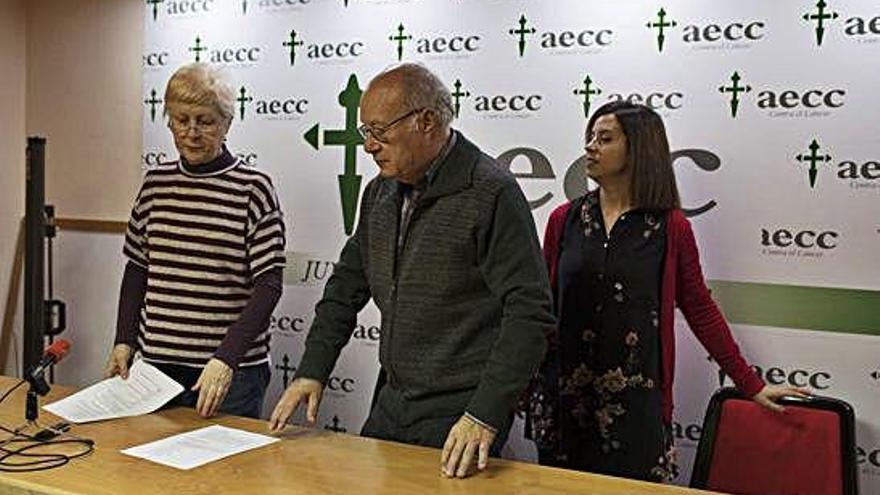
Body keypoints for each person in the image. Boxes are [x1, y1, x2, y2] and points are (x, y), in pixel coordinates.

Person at [268, 63, 555, 478]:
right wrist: (313, 368)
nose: (368, 146)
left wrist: (485, 414)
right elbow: (346, 286)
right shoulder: (380, 191)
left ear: (426, 121)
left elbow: (529, 313)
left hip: (459, 413)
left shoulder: (491, 191)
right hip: (390, 401)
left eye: (378, 132)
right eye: (365, 132)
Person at [525, 101, 808, 482]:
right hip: (562, 402)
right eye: (589, 137)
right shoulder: (565, 219)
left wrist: (750, 384)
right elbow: (538, 308)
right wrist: (516, 385)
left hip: (636, 408)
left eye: (604, 138)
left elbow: (699, 308)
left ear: (639, 148)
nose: (590, 147)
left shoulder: (670, 227)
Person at [103, 63, 286, 419]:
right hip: (156, 369)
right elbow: (138, 268)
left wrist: (226, 358)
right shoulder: (155, 185)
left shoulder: (254, 188)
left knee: (225, 473)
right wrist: (124, 339)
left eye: (205, 120)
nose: (191, 132)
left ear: (227, 123)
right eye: (180, 119)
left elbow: (268, 286)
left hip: (228, 373)